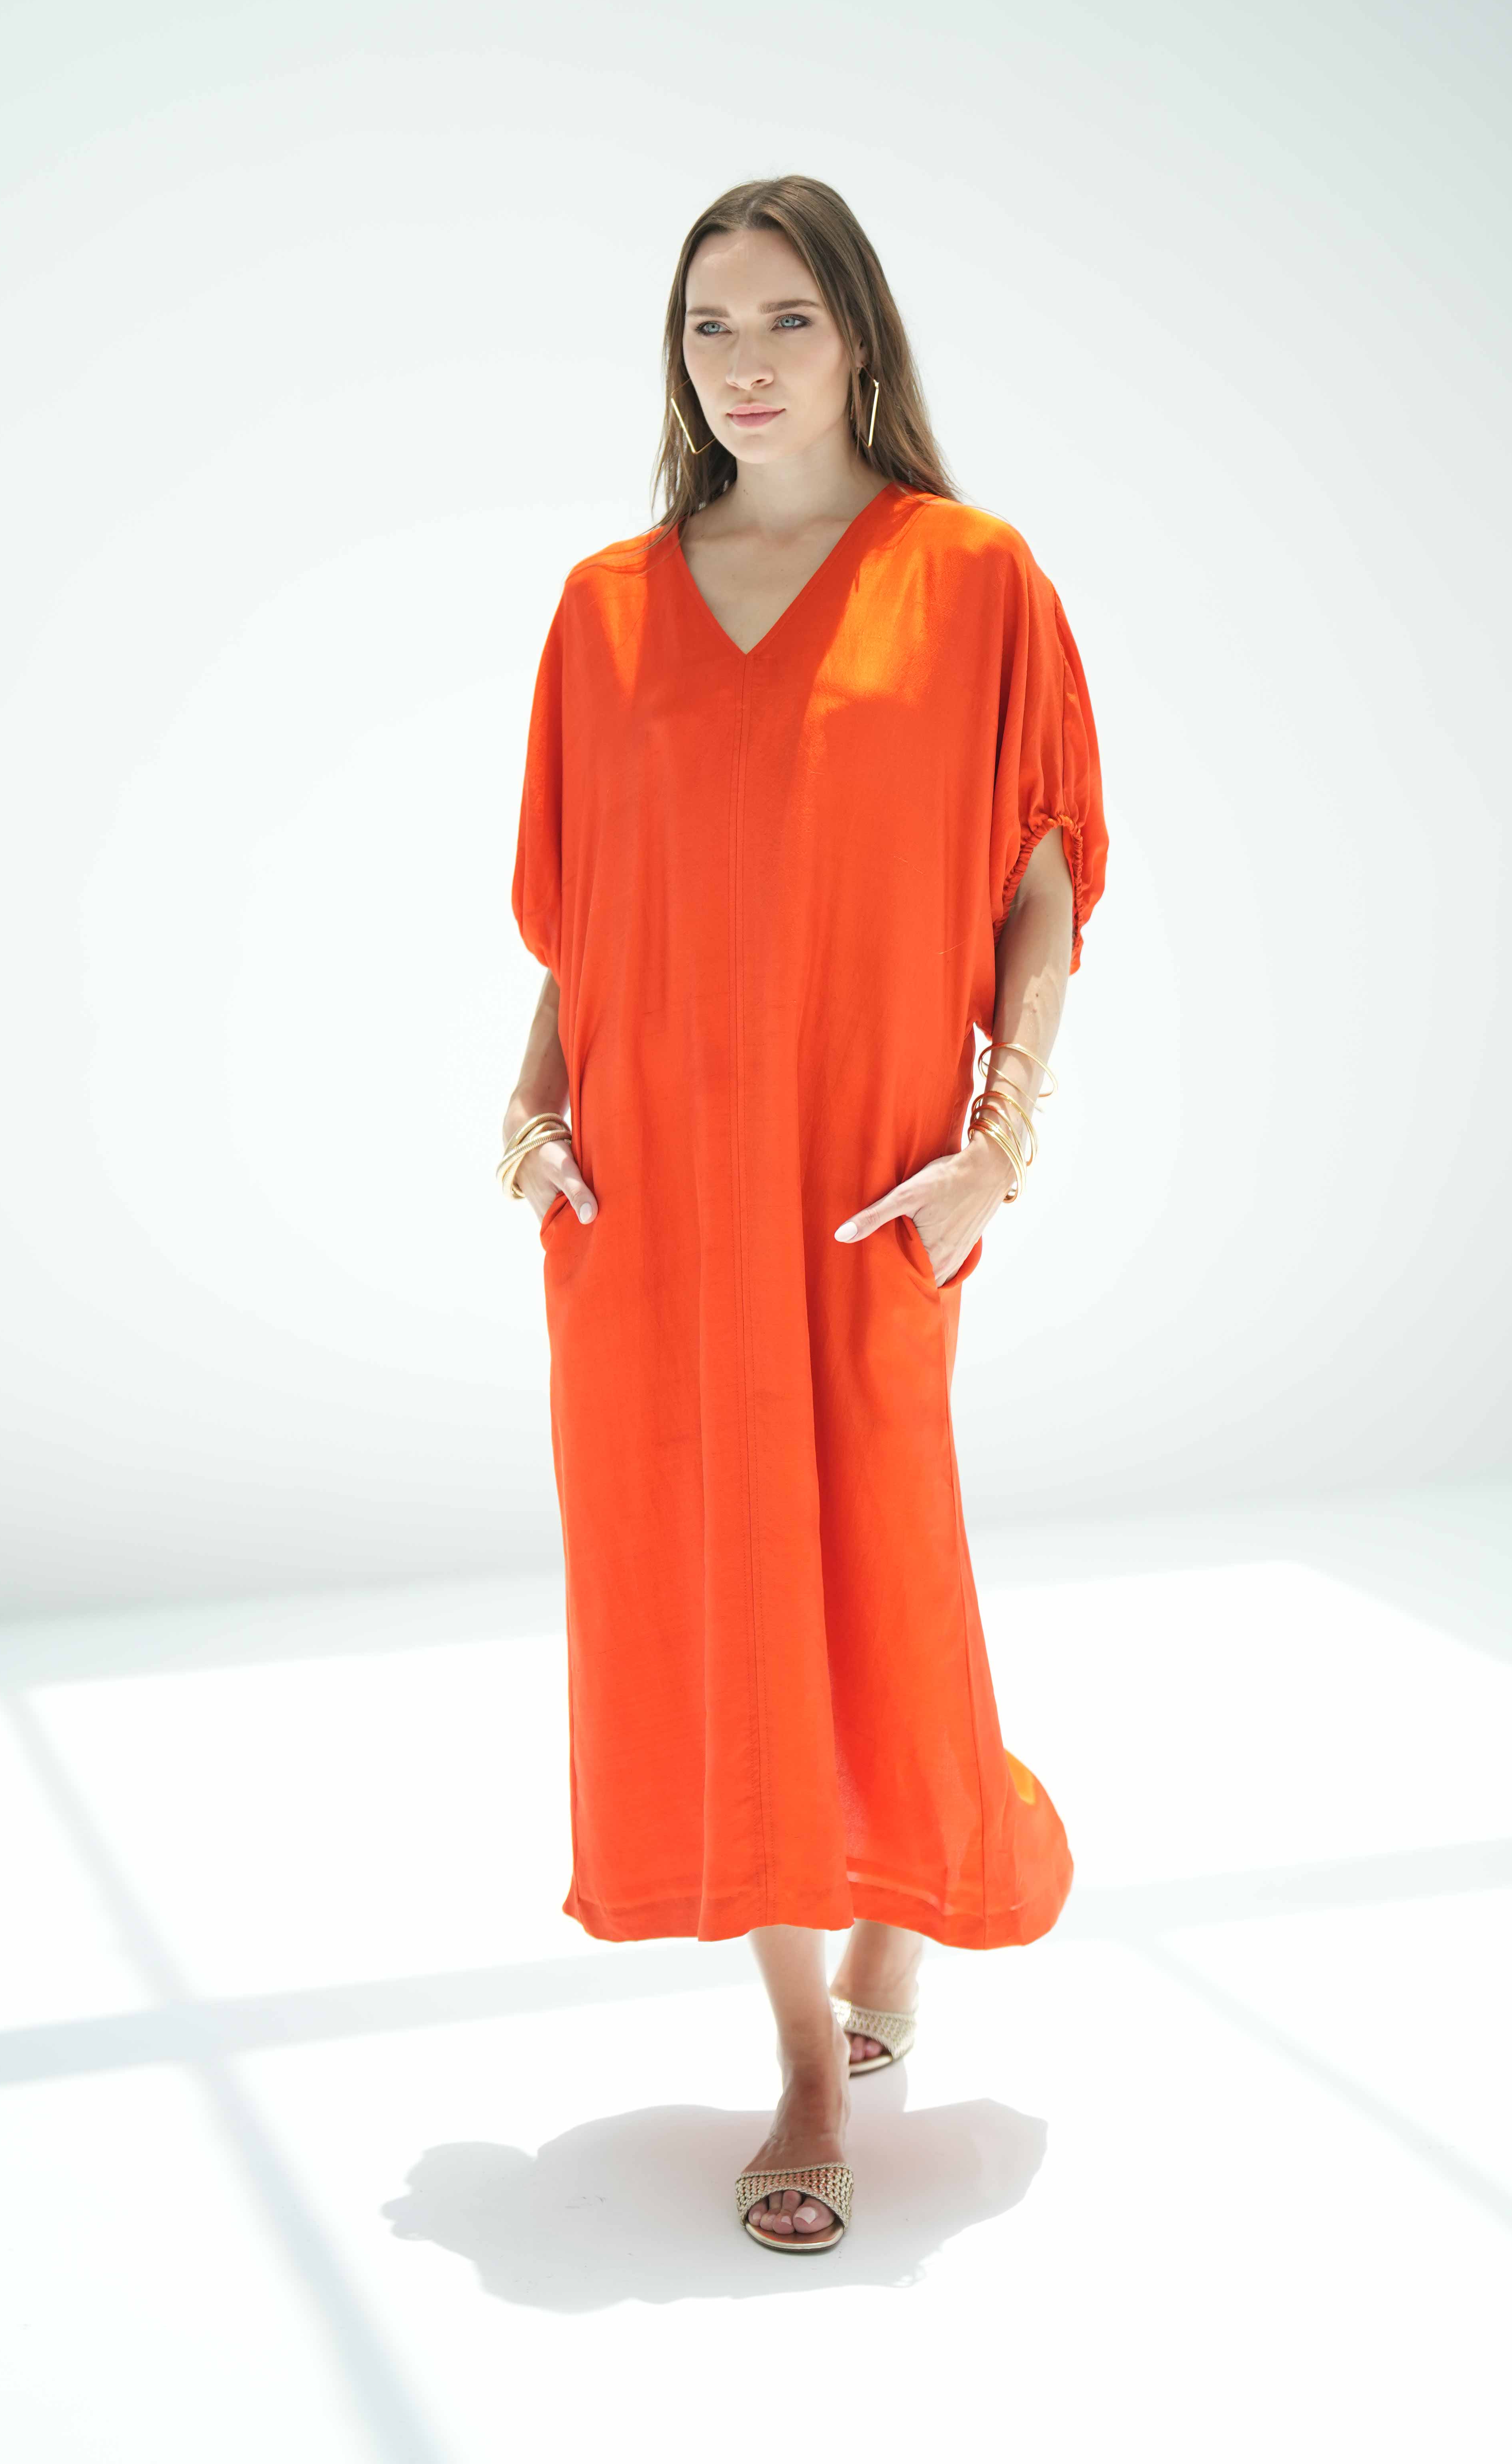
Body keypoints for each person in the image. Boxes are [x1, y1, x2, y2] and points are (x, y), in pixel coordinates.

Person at [501, 174, 1109, 2256]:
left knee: (878, 1587)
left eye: (784, 320)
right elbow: (583, 918)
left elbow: (1042, 882)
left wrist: (998, 1141)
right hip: (650, 1197)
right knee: (703, 1598)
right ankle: (802, 2063)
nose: (743, 365)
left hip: (865, 1189)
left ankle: (907, 1919)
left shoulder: (971, 578)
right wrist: (530, 1110)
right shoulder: (605, 607)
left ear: (859, 335)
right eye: (707, 326)